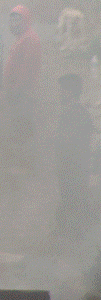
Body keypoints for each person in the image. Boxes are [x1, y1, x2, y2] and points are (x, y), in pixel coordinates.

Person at [54, 74, 94, 235]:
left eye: (61, 90)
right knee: (72, 204)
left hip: (72, 170)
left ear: (69, 92)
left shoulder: (74, 113)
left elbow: (69, 143)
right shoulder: (79, 112)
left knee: (72, 204)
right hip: (74, 169)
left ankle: (70, 237)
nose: (59, 94)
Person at [4, 5, 42, 135]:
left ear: (26, 20)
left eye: (17, 20)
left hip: (23, 94)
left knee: (22, 129)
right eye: (12, 21)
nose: (14, 24)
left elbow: (26, 70)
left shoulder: (29, 39)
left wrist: (15, 91)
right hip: (17, 93)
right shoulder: (21, 38)